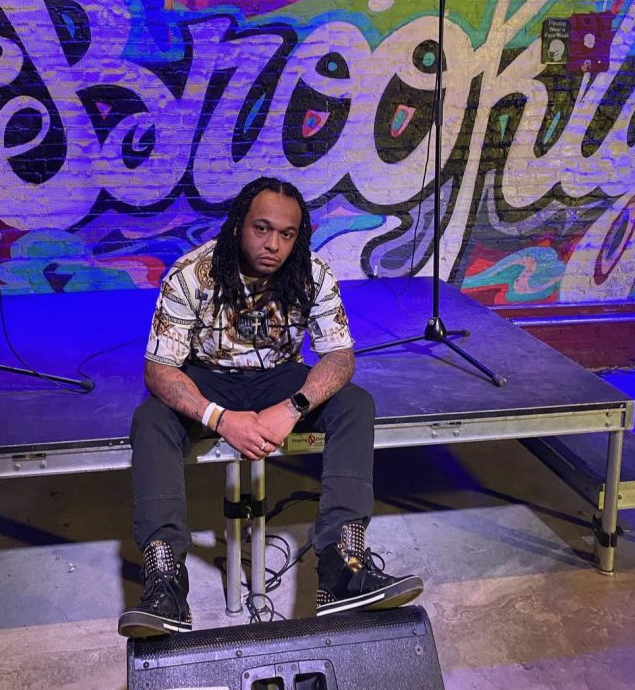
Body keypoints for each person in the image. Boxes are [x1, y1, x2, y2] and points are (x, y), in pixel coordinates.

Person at [118, 176, 422, 637]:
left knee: (355, 405)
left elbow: (340, 356)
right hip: (207, 377)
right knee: (151, 418)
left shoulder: (311, 273)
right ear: (239, 225)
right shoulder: (191, 274)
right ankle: (166, 582)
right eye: (262, 229)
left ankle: (342, 564)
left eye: (286, 234)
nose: (273, 245)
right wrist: (221, 420)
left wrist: (293, 407)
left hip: (280, 376)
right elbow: (159, 370)